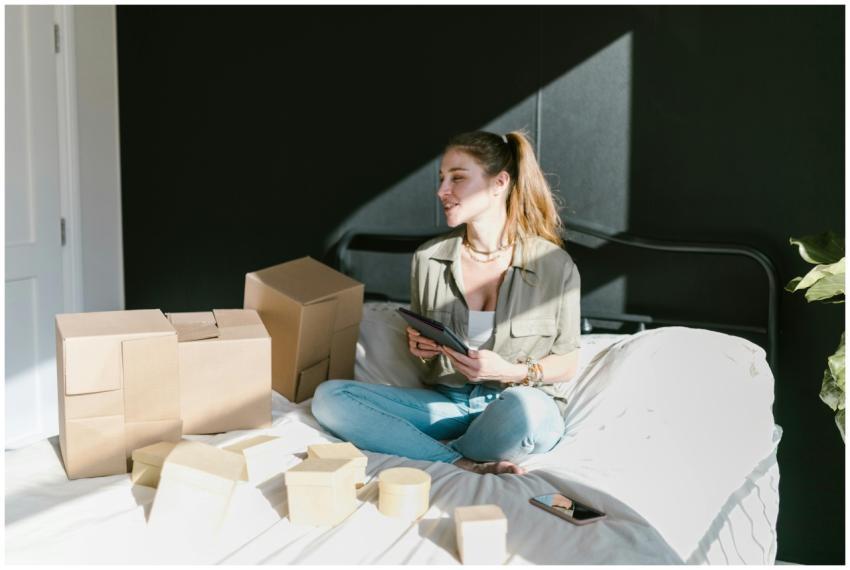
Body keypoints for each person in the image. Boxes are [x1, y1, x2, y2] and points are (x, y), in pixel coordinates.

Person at [312, 129, 581, 475]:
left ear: (499, 183)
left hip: (517, 403)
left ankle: (431, 448)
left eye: (457, 178)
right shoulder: (429, 258)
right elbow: (430, 363)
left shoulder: (553, 265)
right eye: (441, 179)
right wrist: (422, 348)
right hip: (450, 403)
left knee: (525, 412)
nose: (442, 191)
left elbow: (569, 361)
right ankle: (460, 462)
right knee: (330, 399)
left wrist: (509, 372)